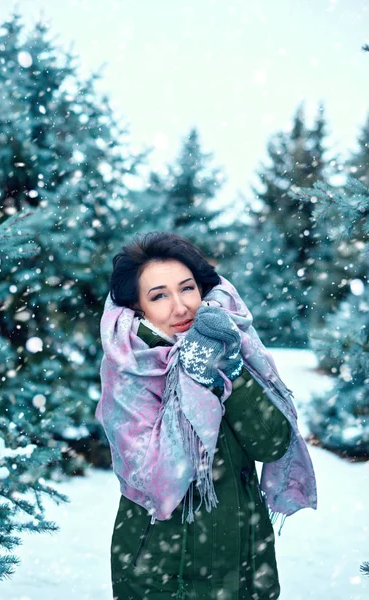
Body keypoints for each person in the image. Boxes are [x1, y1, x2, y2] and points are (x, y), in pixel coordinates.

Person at [95, 232, 317, 600]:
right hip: (166, 569)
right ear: (137, 308)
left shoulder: (233, 343)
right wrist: (196, 378)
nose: (181, 307)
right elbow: (158, 479)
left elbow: (273, 442)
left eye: (187, 288)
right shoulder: (129, 369)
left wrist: (230, 368)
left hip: (245, 558)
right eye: (159, 296)